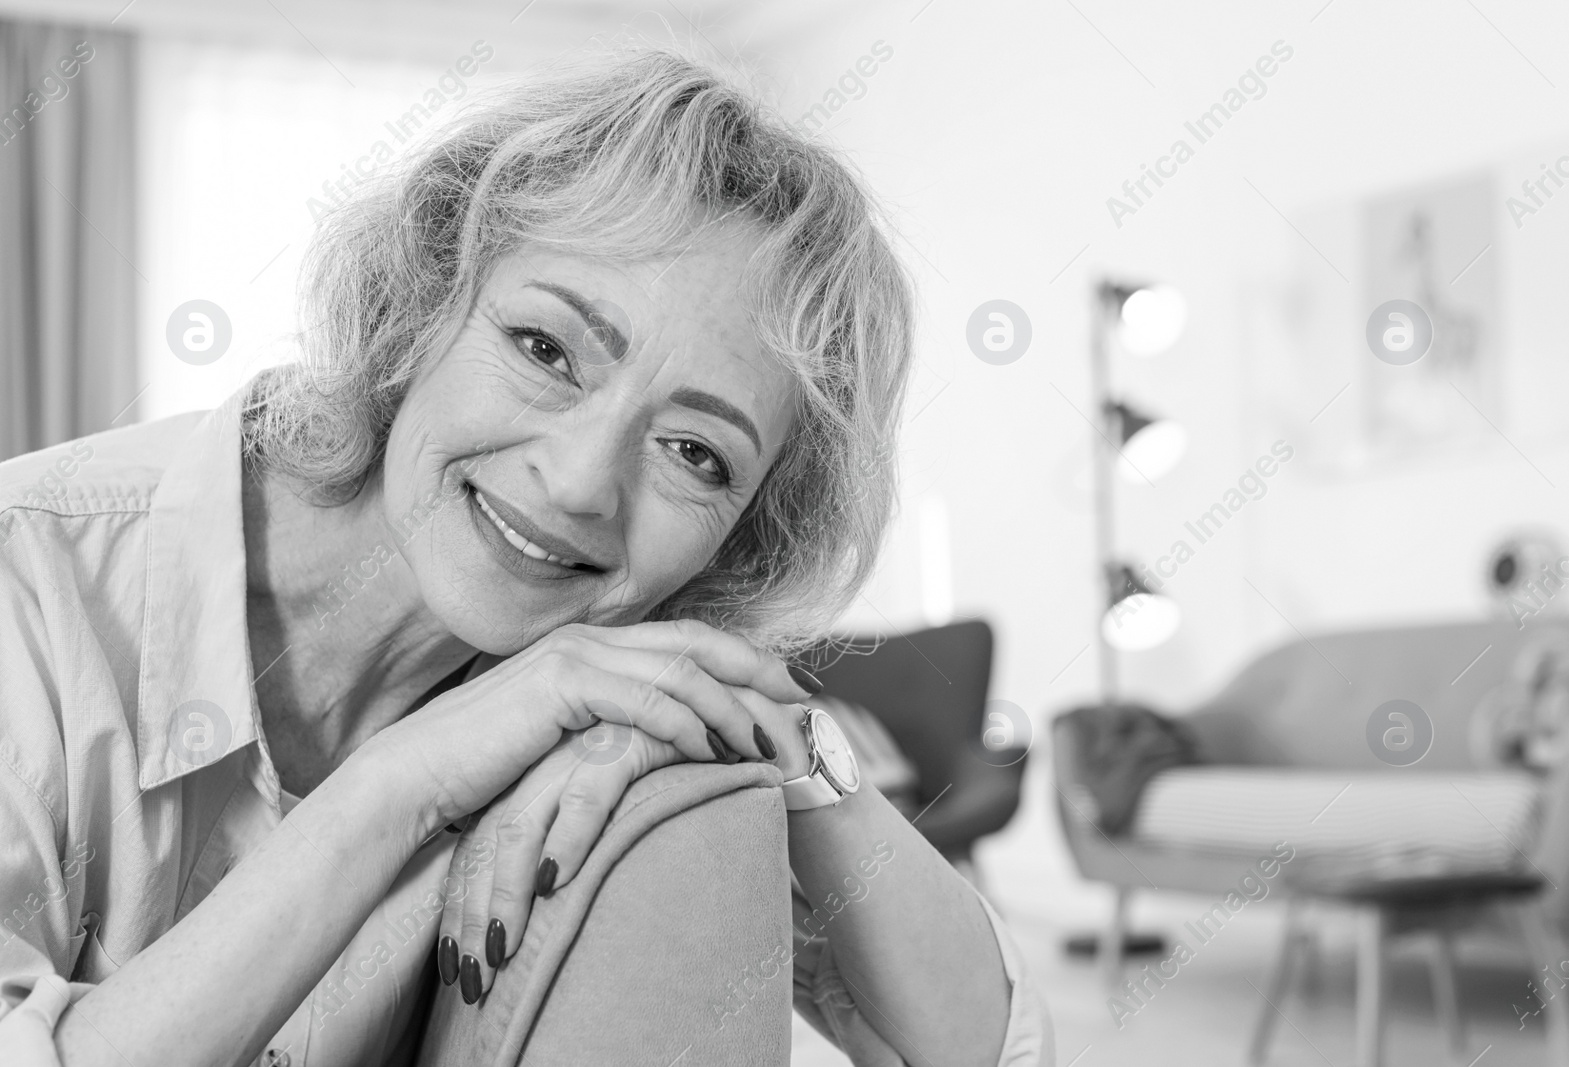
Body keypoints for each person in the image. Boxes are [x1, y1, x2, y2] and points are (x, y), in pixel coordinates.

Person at [0, 48, 1050, 1066]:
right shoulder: (29, 580)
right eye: (547, 349)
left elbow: (987, 1046)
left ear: (746, 533)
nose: (583, 482)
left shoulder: (607, 692)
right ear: (423, 303)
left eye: (695, 452)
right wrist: (397, 788)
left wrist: (781, 743)